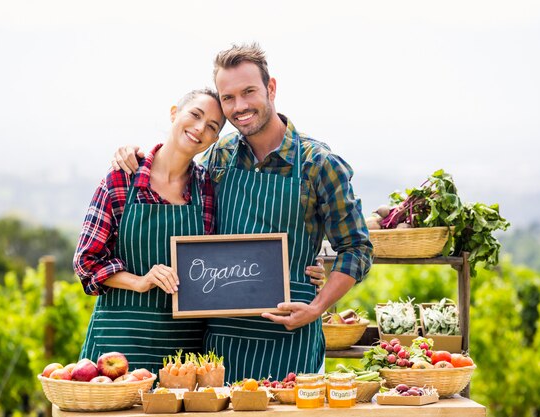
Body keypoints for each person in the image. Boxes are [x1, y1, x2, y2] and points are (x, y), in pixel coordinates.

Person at [112, 43, 373, 381]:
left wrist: (317, 307)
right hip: (219, 340)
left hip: (289, 338)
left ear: (271, 88)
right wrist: (133, 154)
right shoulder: (218, 157)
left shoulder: (318, 164)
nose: (240, 106)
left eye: (249, 92)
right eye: (228, 98)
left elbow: (357, 248)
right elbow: (171, 175)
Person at [73, 89, 225, 372]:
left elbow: (230, 259)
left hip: (182, 354)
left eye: (212, 126)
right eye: (195, 115)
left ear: (214, 139)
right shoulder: (122, 179)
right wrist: (140, 281)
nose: (200, 128)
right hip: (117, 347)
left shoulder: (207, 189)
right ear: (173, 114)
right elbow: (86, 263)